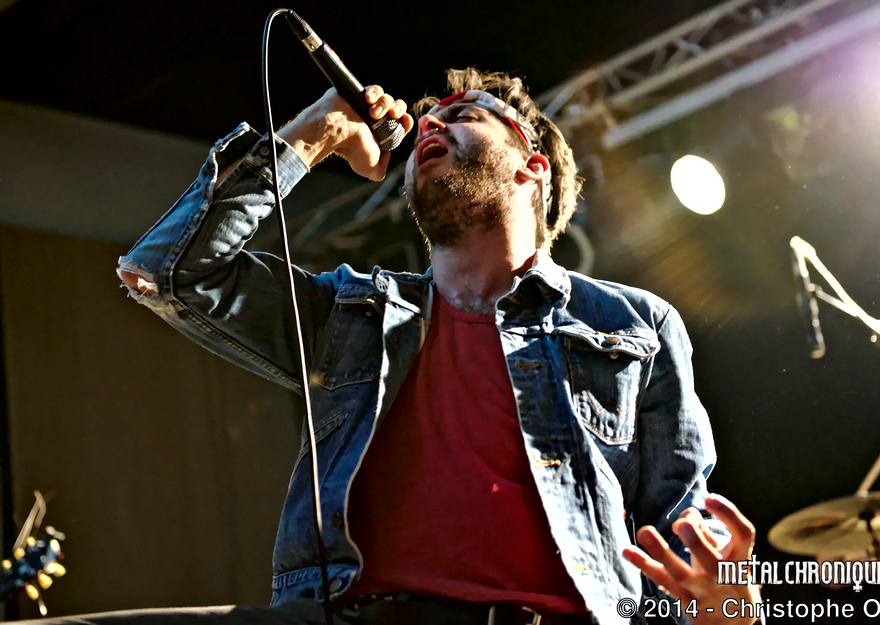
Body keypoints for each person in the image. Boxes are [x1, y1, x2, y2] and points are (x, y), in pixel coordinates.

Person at [107, 68, 759, 625]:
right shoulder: (353, 315)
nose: (430, 125)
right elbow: (166, 269)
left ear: (531, 166)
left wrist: (728, 603)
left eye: (466, 115)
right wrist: (314, 133)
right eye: (427, 121)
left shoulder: (635, 322)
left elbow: (685, 523)